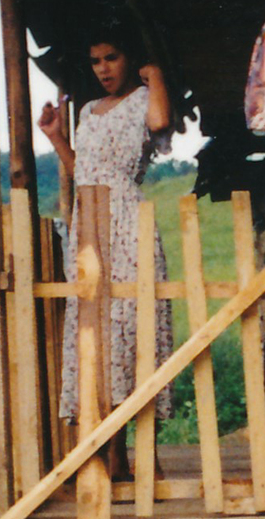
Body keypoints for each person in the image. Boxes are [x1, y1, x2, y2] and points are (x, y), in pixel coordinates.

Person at [38, 25, 174, 472]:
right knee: (96, 333)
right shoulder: (89, 111)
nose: (103, 69)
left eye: (111, 58)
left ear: (129, 58)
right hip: (89, 223)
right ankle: (112, 454)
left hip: (126, 221)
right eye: (95, 61)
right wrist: (56, 136)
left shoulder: (144, 99)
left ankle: (143, 453)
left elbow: (160, 123)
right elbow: (84, 172)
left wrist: (156, 76)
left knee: (132, 328)